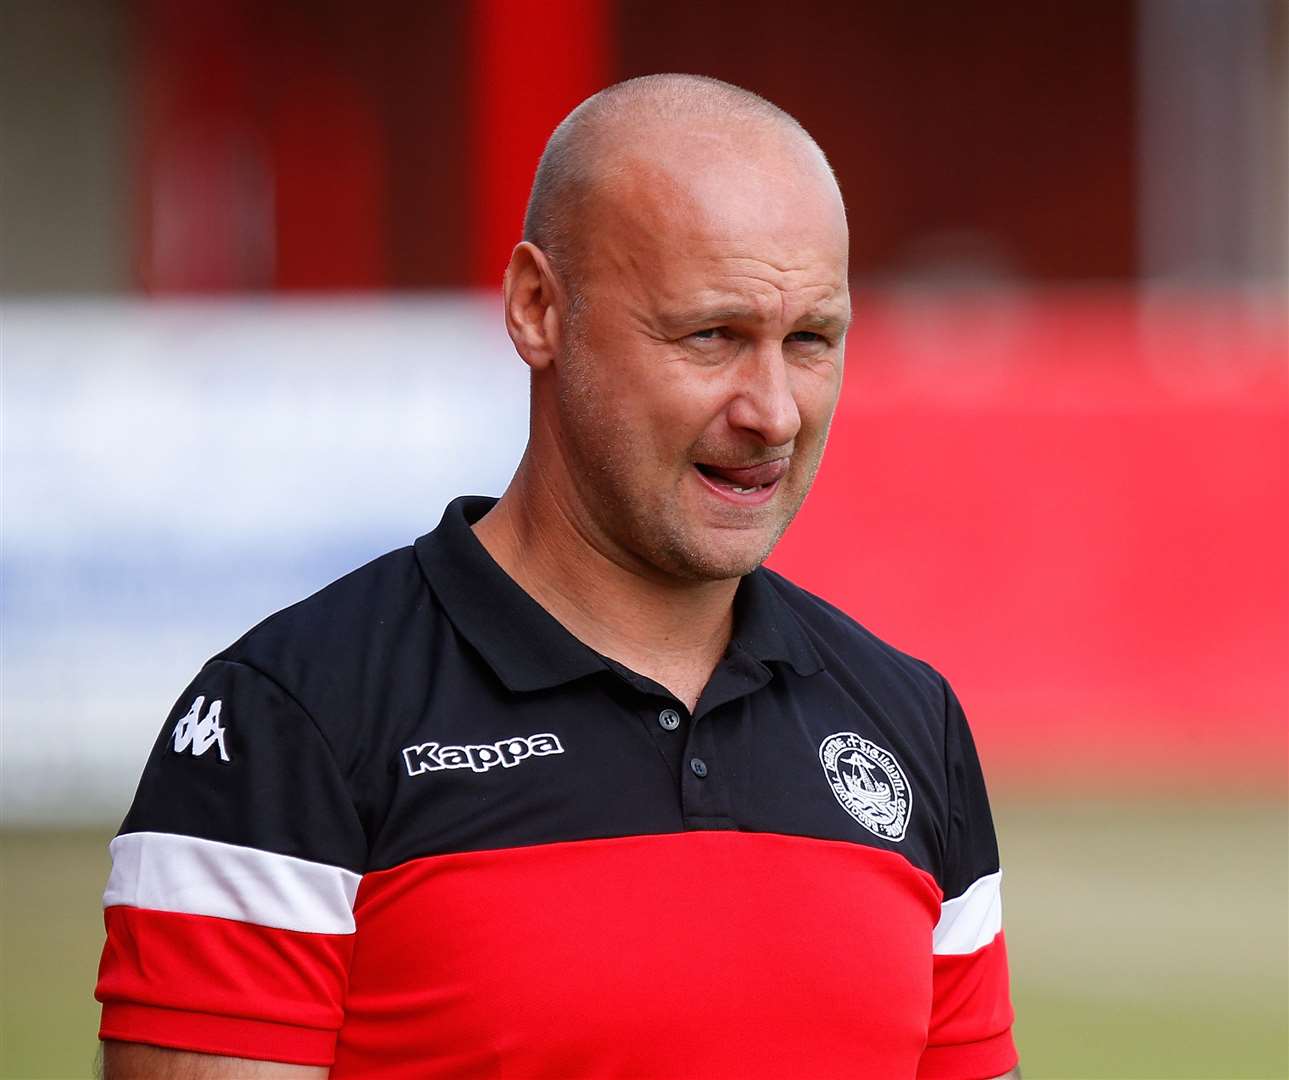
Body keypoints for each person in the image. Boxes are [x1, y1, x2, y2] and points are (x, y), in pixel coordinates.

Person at [97, 74, 1019, 1079]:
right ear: (539, 308)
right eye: (710, 335)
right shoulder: (290, 718)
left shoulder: (906, 718)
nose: (773, 412)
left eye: (809, 341)